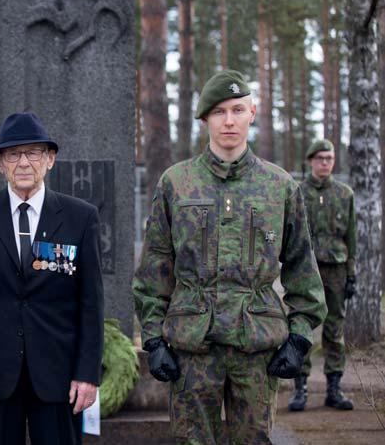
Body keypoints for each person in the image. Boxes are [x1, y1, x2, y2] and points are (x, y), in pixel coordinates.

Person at [133, 70, 327, 444]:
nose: (229, 121)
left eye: (238, 110)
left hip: (256, 350)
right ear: (205, 119)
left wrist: (300, 338)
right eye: (219, 112)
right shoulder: (177, 183)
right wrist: (155, 341)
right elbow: (154, 271)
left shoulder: (279, 186)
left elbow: (303, 269)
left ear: (252, 113)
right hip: (193, 350)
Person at [0, 112, 104, 445]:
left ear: (50, 159)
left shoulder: (80, 217)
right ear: (0, 163)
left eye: (33, 152)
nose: (23, 162)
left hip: (59, 376)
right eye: (13, 154)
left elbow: (90, 303)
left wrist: (87, 374)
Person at [288, 139, 356, 412]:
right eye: (320, 158)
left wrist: (352, 274)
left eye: (329, 158)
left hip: (336, 270)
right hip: (306, 270)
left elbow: (351, 237)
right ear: (310, 161)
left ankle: (334, 388)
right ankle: (300, 389)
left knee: (334, 330)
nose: (325, 163)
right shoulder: (297, 192)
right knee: (301, 327)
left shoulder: (345, 194)